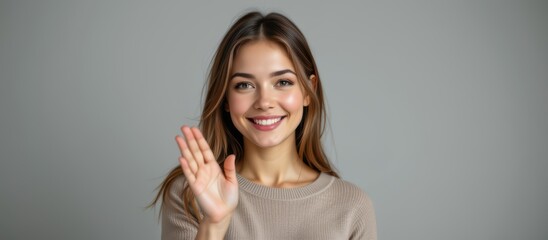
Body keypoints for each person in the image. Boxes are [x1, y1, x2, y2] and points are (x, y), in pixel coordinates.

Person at [150, 11, 377, 240]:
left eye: (283, 82)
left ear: (309, 90)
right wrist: (214, 225)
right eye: (245, 85)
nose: (264, 102)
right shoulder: (190, 194)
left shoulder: (352, 206)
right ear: (225, 98)